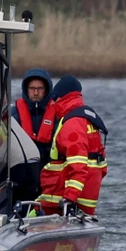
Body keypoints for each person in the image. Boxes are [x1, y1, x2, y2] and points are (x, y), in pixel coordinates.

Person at [35, 75, 108, 217]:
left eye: (54, 99)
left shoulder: (72, 125)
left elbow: (78, 166)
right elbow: (101, 165)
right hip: (81, 199)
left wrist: (69, 198)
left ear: (59, 98)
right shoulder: (86, 120)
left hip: (62, 200)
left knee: (29, 215)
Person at [13, 68, 57, 159]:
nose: (36, 93)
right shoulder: (13, 114)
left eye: (40, 88)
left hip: (49, 165)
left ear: (47, 90)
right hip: (22, 164)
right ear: (26, 89)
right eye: (32, 88)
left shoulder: (57, 114)